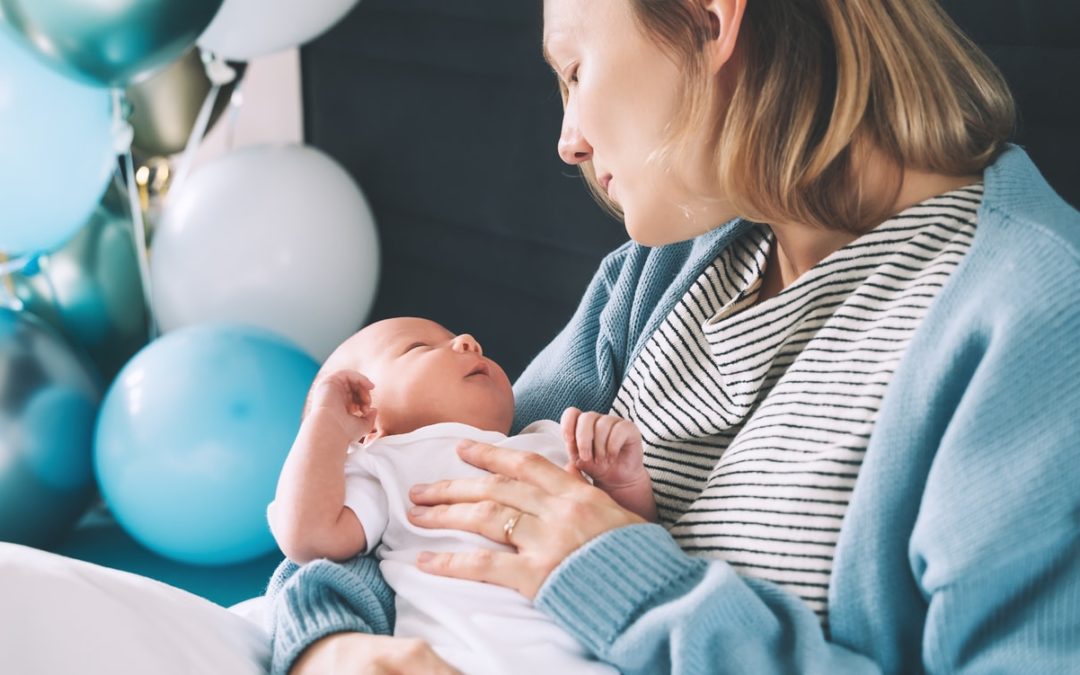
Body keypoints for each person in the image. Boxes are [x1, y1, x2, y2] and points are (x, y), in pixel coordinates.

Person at [267, 1, 1080, 674]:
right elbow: (415, 490)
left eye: (576, 72)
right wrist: (334, 647)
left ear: (706, 15)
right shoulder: (652, 284)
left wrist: (622, 580)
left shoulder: (1031, 319)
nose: (569, 140)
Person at [267, 316, 655, 674]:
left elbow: (628, 546)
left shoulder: (551, 439)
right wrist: (328, 425)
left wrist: (621, 484)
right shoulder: (387, 463)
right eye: (418, 348)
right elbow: (308, 538)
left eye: (459, 339)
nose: (468, 341)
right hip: (460, 659)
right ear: (368, 423)